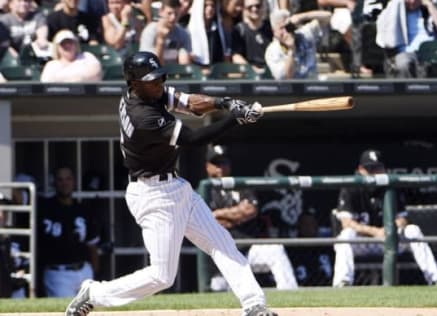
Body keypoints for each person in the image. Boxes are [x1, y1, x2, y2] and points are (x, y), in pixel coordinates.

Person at [64, 51, 276, 316]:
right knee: (162, 276)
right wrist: (235, 119)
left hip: (175, 187)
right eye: (152, 81)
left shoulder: (145, 92)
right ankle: (94, 293)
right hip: (154, 195)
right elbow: (194, 139)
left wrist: (226, 103)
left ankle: (254, 303)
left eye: (160, 79)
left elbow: (190, 103)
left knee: (222, 243)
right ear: (134, 81)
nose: (159, 84)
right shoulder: (144, 116)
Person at [332, 149, 437, 287]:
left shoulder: (390, 186)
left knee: (413, 230)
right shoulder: (351, 188)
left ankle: (435, 279)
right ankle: (343, 283)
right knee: (346, 235)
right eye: (370, 169)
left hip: (388, 239)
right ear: (361, 170)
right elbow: (347, 223)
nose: (374, 173)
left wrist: (389, 229)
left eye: (378, 168)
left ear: (384, 169)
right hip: (364, 241)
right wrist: (375, 232)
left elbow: (403, 219)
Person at [206, 145, 298, 291]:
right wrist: (236, 214)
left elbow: (250, 210)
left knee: (275, 250)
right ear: (207, 166)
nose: (221, 168)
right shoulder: (204, 190)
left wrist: (218, 213)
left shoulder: (241, 185)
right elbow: (209, 221)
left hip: (248, 247)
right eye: (216, 163)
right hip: (221, 254)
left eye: (224, 163)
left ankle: (291, 296)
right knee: (217, 287)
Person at [37, 166, 100, 297]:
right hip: (57, 273)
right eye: (60, 179)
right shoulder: (44, 208)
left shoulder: (83, 210)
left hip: (84, 270)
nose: (64, 183)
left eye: (68, 179)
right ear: (54, 182)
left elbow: (92, 246)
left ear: (74, 182)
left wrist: (93, 271)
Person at [375, 0, 437, 78]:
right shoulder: (395, 11)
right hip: (407, 52)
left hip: (429, 51)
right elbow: (386, 34)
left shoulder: (427, 11)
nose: (412, 2)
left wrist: (429, 5)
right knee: (404, 63)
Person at [265, 8, 331, 79]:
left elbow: (328, 16)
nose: (286, 31)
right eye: (281, 28)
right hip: (291, 88)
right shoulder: (272, 51)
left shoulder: (305, 34)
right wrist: (291, 50)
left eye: (288, 26)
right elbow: (285, 78)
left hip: (312, 84)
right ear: (274, 31)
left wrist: (301, 17)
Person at [139, 0, 192, 65]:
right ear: (161, 11)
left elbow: (185, 64)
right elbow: (151, 64)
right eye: (169, 13)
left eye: (176, 14)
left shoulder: (183, 33)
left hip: (175, 73)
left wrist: (184, 57)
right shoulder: (150, 31)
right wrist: (160, 42)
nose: (173, 17)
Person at [231, 0, 274, 75]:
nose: (254, 9)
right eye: (250, 7)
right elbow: (236, 56)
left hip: (271, 73)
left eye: (258, 6)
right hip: (249, 76)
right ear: (244, 9)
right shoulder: (239, 30)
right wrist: (252, 70)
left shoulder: (271, 27)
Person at [188, 0, 229, 66]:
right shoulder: (189, 32)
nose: (210, 9)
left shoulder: (218, 31)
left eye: (212, 6)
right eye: (205, 6)